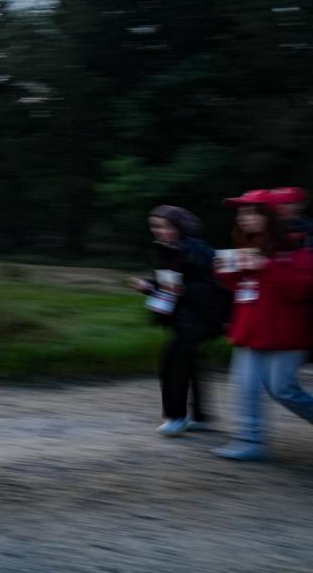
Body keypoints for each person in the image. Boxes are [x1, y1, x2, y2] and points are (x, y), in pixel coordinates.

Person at [212, 189, 313, 461]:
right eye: (242, 212)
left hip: (285, 335)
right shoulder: (247, 248)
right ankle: (250, 441)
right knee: (243, 386)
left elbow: (300, 290)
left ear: (270, 216)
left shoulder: (297, 247)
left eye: (252, 212)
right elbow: (243, 288)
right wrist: (225, 271)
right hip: (250, 331)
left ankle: (251, 440)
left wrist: (267, 266)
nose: (244, 218)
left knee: (284, 390)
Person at [126, 205, 224, 436]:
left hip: (200, 319)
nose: (158, 231)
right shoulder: (169, 249)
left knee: (172, 363)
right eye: (155, 226)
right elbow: (169, 282)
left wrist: (183, 289)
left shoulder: (197, 250)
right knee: (190, 363)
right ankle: (199, 416)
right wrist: (150, 286)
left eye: (164, 226)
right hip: (183, 318)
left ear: (180, 226)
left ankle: (176, 417)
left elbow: (214, 286)